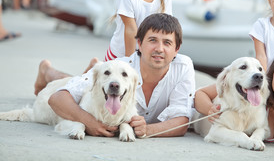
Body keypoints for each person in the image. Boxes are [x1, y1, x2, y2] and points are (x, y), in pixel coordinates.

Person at [35, 13, 195, 138]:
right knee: (69, 84)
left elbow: (181, 121)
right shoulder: (119, 67)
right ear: (139, 43)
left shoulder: (183, 67)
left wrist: (147, 129)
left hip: (108, 86)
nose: (159, 48)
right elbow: (57, 99)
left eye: (167, 43)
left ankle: (55, 71)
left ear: (177, 49)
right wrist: (90, 122)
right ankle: (47, 70)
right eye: (152, 40)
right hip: (104, 84)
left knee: (75, 80)